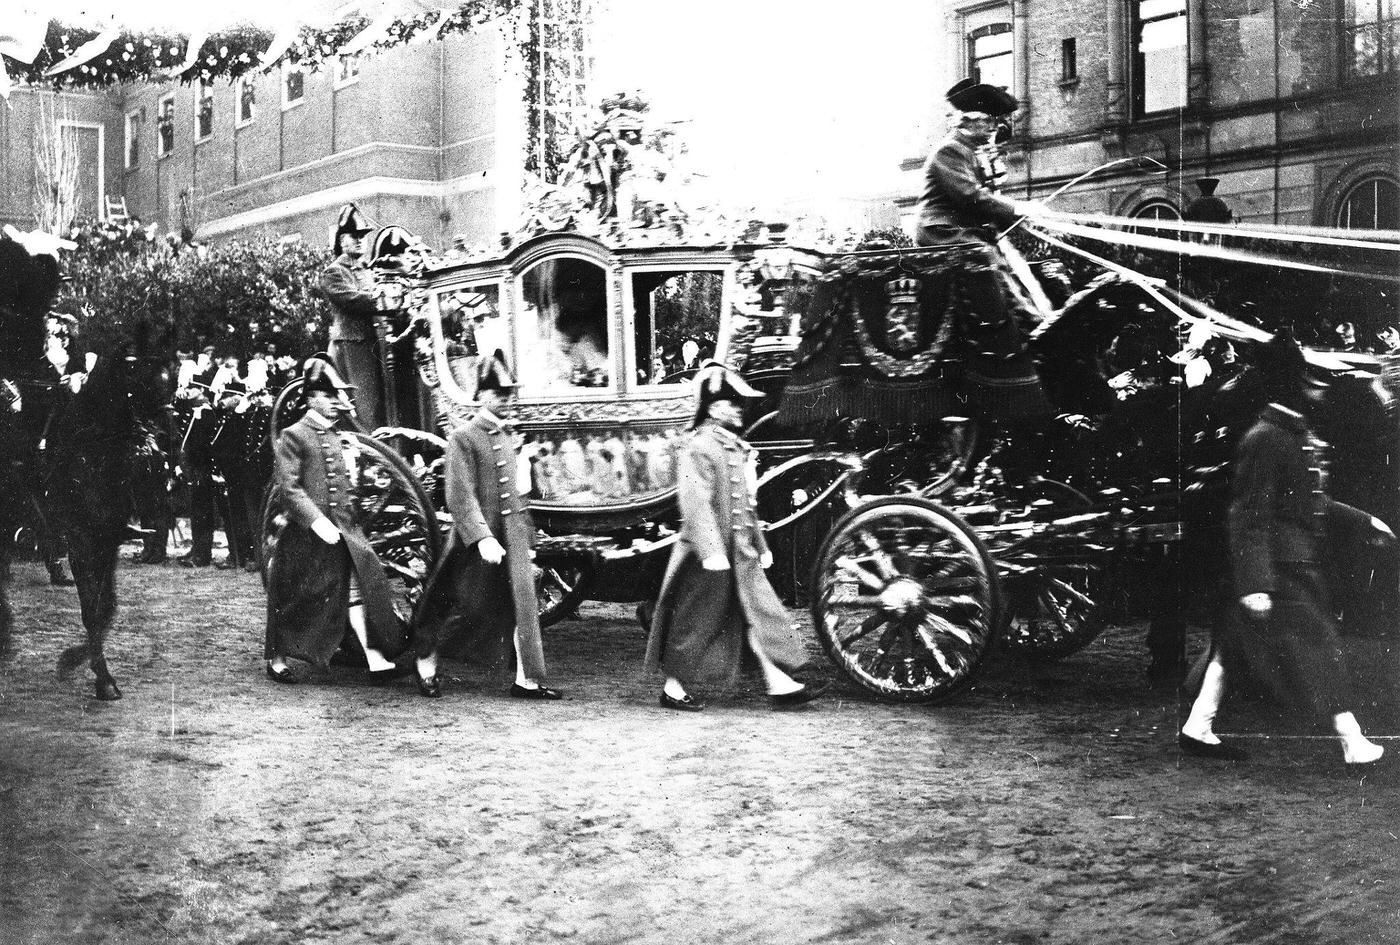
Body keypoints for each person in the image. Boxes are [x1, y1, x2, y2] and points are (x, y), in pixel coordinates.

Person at [1179, 334, 1392, 769]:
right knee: (1318, 648)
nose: (1319, 389)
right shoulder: (1267, 438)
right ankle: (1352, 740)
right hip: (1278, 567)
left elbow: (1309, 502)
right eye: (1310, 381)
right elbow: (1248, 514)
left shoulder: (1288, 434)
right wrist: (1256, 584)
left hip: (1282, 564)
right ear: (1291, 384)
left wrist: (1363, 520)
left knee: (1230, 648)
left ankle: (1198, 724)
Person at [645, 361, 826, 711]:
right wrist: (711, 550)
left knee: (760, 615)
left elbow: (745, 506)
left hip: (738, 552)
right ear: (713, 409)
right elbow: (696, 504)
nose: (740, 409)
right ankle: (673, 687)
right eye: (732, 403)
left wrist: (759, 544)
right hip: (707, 555)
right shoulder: (699, 446)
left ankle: (780, 683)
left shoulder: (731, 446)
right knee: (697, 622)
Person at [411, 352, 560, 700]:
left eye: (510, 393)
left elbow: (518, 497)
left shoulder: (507, 435)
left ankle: (527, 681)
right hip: (472, 541)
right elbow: (460, 496)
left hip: (512, 538)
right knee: (462, 609)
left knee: (522, 605)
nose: (507, 399)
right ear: (481, 395)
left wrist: (529, 537)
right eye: (499, 393)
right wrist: (482, 538)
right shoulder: (464, 437)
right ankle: (425, 661)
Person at [264, 360, 406, 684]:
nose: (336, 402)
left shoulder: (334, 436)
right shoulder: (293, 435)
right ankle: (277, 659)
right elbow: (288, 487)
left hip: (344, 529)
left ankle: (377, 660)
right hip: (305, 535)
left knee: (357, 590)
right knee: (294, 599)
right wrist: (315, 521)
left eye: (336, 396)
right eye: (329, 396)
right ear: (312, 398)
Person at [319, 204, 386, 430]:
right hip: (352, 344)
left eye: (363, 236)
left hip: (376, 342)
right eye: (354, 236)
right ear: (341, 241)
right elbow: (351, 300)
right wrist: (381, 298)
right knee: (366, 405)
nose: (360, 241)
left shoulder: (369, 269)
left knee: (382, 402)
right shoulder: (334, 272)